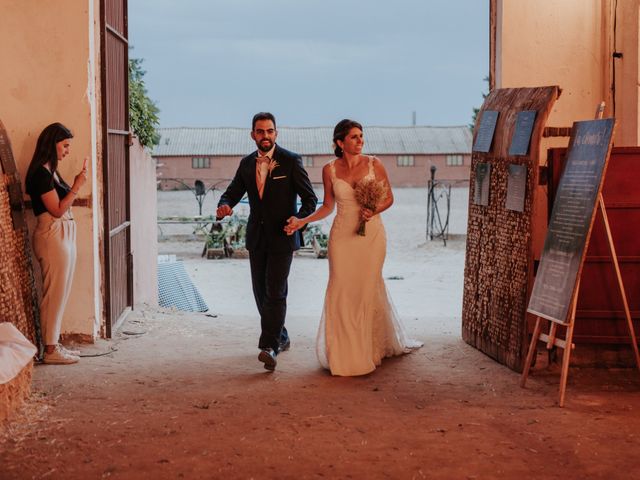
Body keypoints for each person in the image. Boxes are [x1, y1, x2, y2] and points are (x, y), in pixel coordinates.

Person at [285, 119, 422, 376]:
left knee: (366, 289)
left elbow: (389, 197)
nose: (360, 141)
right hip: (342, 237)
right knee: (341, 290)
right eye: (354, 137)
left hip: (371, 237)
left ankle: (367, 351)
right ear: (340, 142)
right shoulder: (329, 170)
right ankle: (343, 354)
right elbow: (327, 206)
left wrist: (373, 209)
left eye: (361, 136)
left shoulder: (374, 164)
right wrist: (302, 220)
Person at [216, 112, 317, 371]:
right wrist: (225, 204)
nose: (265, 136)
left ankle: (269, 347)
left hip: (283, 236)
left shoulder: (291, 161)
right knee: (260, 292)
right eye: (260, 131)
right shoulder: (247, 163)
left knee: (275, 291)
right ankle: (281, 336)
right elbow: (233, 191)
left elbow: (309, 200)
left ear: (276, 133)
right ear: (253, 135)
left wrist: (299, 219)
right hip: (257, 237)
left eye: (270, 131)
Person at [25, 122, 88, 365]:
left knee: (60, 293)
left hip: (62, 235)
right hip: (52, 234)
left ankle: (54, 344)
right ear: (52, 145)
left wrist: (73, 184)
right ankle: (50, 349)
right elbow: (58, 210)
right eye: (64, 145)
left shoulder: (51, 171)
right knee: (54, 294)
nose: (67, 150)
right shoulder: (40, 174)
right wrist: (76, 186)